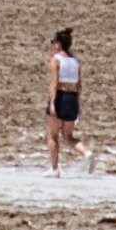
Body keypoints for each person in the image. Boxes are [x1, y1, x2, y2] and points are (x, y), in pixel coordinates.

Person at [46, 27, 84, 170]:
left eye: (54, 42)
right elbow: (79, 84)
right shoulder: (75, 61)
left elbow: (54, 83)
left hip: (60, 97)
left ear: (59, 43)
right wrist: (79, 103)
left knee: (52, 135)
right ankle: (87, 153)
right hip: (73, 98)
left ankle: (54, 169)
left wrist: (52, 104)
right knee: (68, 136)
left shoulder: (56, 60)